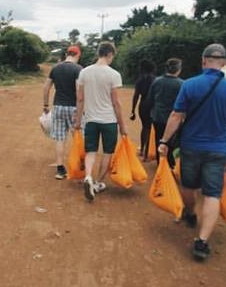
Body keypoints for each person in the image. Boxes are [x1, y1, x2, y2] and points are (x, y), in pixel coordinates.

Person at [157, 43, 226, 261]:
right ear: (223, 64)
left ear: (203, 61)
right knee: (212, 194)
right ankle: (202, 241)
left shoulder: (189, 85)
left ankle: (190, 213)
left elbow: (176, 116)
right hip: (218, 149)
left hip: (191, 146)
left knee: (188, 185)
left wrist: (164, 141)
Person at [74, 42, 127, 202]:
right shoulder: (114, 74)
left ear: (99, 53)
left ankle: (88, 177)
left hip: (90, 119)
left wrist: (77, 121)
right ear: (110, 54)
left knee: (90, 151)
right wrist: (122, 126)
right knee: (107, 152)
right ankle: (97, 183)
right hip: (109, 120)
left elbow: (80, 99)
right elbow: (115, 103)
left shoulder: (84, 72)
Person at [42, 45, 83, 179]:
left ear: (67, 54)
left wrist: (46, 105)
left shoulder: (55, 68)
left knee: (60, 138)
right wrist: (81, 109)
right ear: (77, 55)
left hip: (58, 107)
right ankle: (79, 164)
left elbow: (46, 87)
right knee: (77, 136)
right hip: (73, 108)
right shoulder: (78, 69)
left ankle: (60, 169)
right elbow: (78, 91)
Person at [146, 58, 183, 168]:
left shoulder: (157, 81)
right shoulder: (182, 84)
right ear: (178, 69)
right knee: (173, 141)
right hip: (174, 118)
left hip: (158, 116)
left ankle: (161, 163)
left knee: (160, 139)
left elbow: (150, 99)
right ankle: (171, 163)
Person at [130, 60, 155, 159]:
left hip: (143, 104)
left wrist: (133, 110)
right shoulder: (155, 80)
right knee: (151, 129)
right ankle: (147, 153)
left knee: (145, 128)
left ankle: (142, 149)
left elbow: (136, 96)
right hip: (152, 105)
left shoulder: (140, 80)